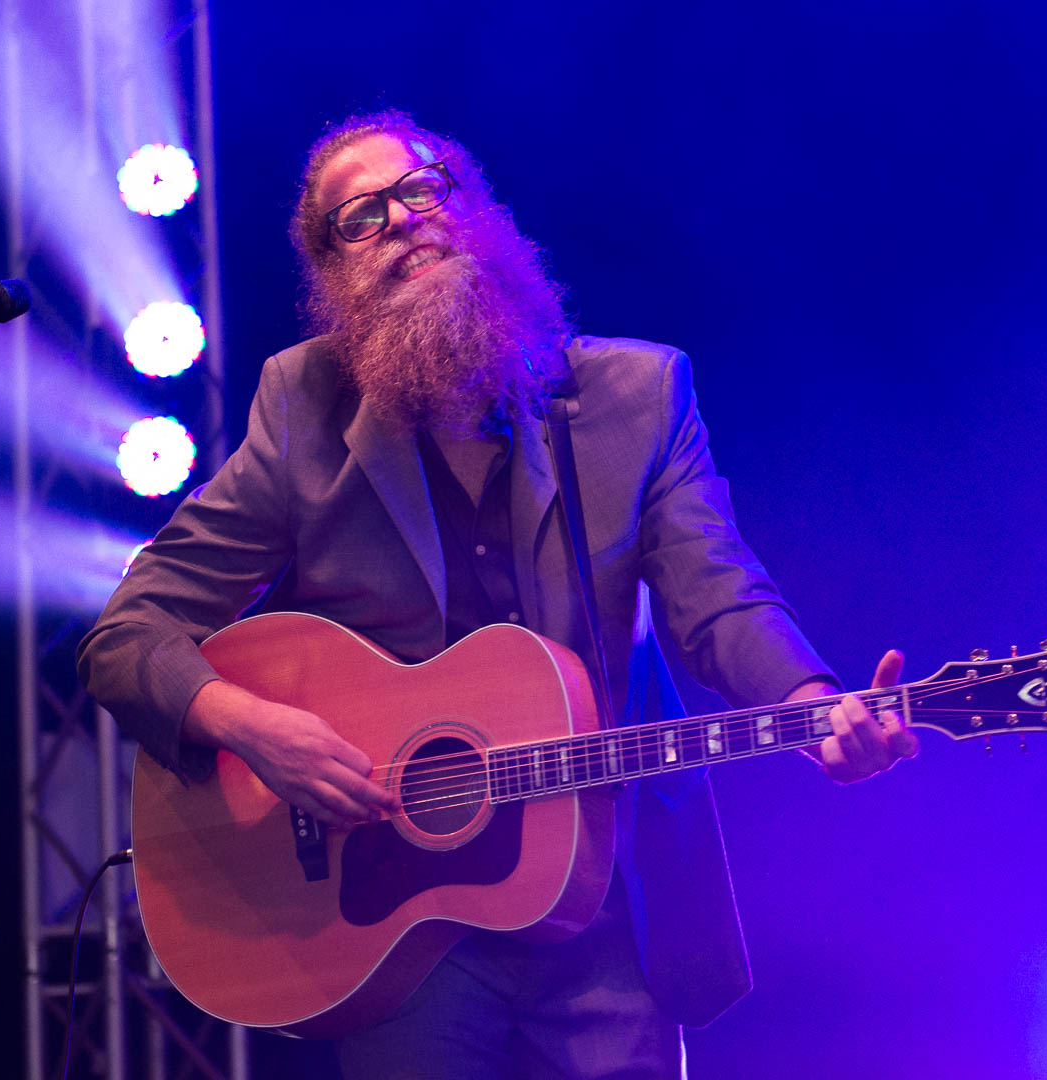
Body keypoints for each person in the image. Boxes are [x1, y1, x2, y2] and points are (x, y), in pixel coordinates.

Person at [78, 109, 918, 1079]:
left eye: (422, 188)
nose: (400, 220)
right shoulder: (302, 410)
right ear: (333, 271)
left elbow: (716, 596)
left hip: (608, 899)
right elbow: (128, 634)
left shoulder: (637, 396)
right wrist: (252, 726)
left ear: (472, 209)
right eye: (360, 218)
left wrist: (811, 705)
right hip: (398, 924)